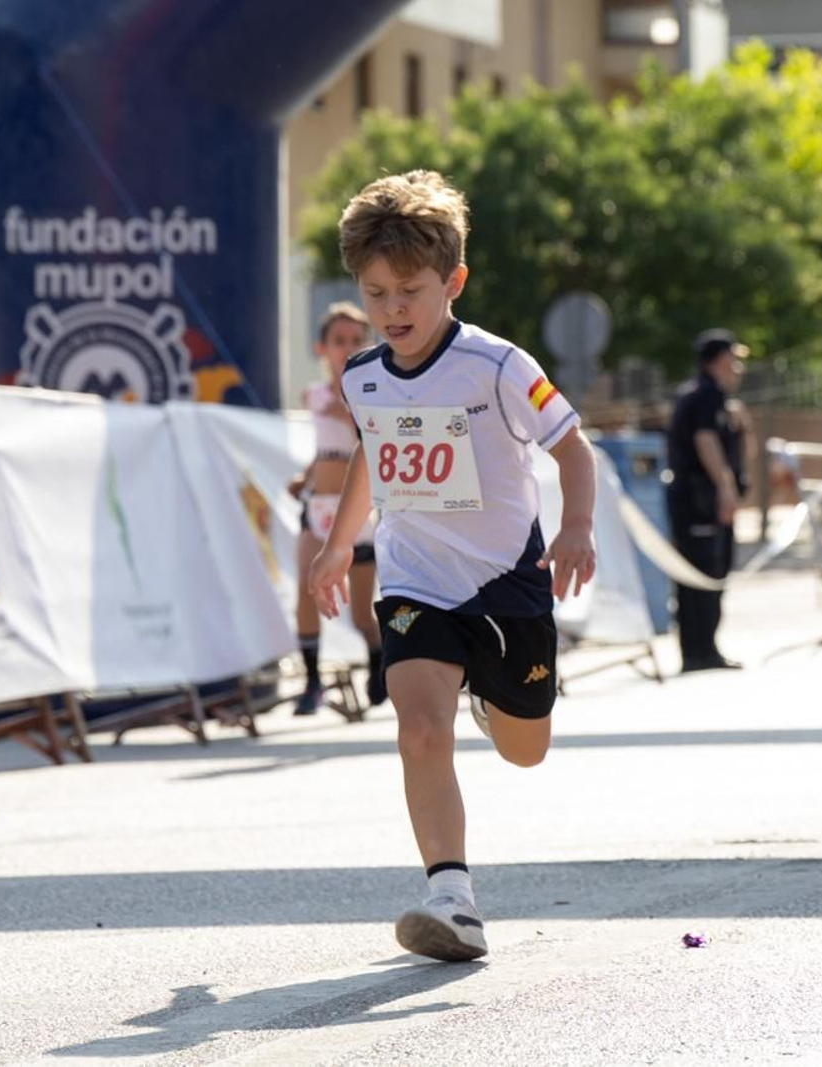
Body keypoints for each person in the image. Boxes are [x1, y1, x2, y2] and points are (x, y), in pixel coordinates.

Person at [306, 169, 597, 962]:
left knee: (524, 748)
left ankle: (490, 693)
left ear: (453, 282)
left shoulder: (499, 366)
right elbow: (371, 451)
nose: (393, 310)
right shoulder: (362, 376)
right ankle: (451, 896)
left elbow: (572, 447)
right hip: (414, 578)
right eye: (375, 294)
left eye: (410, 291)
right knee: (417, 725)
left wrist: (576, 528)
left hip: (507, 581)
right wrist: (340, 543)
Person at [288, 302, 383, 714]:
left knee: (362, 612)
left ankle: (378, 662)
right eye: (338, 341)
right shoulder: (314, 395)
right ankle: (312, 682)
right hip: (318, 508)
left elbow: (375, 444)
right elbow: (327, 449)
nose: (346, 349)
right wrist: (307, 476)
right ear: (321, 348)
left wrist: (347, 414)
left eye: (355, 341)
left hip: (357, 514)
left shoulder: (374, 390)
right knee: (306, 591)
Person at [666, 330, 747, 672]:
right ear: (721, 360)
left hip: (695, 499)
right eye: (734, 359)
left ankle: (702, 648)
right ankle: (700, 651)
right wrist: (726, 489)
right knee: (703, 572)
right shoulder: (707, 396)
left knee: (707, 571)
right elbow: (705, 440)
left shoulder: (707, 396)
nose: (739, 368)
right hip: (700, 501)